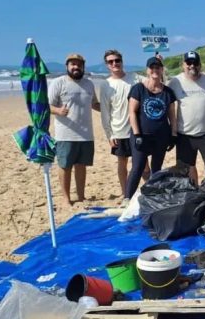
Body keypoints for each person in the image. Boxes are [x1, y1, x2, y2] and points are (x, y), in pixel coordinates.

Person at [48, 53, 101, 207]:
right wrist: (58, 111)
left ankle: (81, 196)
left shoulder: (89, 84)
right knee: (65, 166)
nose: (76, 67)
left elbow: (94, 104)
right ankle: (65, 198)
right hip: (65, 134)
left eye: (79, 64)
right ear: (67, 66)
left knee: (81, 166)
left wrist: (110, 109)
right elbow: (47, 105)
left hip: (86, 134)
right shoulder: (58, 83)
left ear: (83, 66)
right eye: (73, 64)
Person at [167, 51, 205, 181]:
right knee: (187, 168)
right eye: (189, 63)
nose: (192, 66)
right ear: (183, 64)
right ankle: (193, 193)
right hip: (184, 134)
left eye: (195, 63)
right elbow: (162, 99)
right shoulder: (175, 82)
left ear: (200, 65)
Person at [126, 57, 177, 199]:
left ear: (162, 70)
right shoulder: (138, 89)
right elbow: (132, 112)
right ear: (147, 70)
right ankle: (127, 198)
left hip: (161, 136)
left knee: (156, 168)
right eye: (152, 67)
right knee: (138, 167)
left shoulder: (168, 92)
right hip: (142, 136)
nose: (155, 70)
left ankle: (153, 196)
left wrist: (173, 134)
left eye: (158, 67)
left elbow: (172, 115)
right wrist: (137, 135)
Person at [98, 49, 139, 200]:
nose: (114, 63)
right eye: (111, 61)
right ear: (107, 65)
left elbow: (154, 81)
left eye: (117, 60)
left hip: (136, 130)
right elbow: (105, 112)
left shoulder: (134, 78)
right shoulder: (106, 85)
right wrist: (109, 134)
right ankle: (125, 193)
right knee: (122, 163)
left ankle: (151, 190)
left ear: (122, 61)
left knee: (142, 164)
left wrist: (159, 64)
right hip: (118, 131)